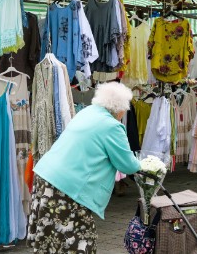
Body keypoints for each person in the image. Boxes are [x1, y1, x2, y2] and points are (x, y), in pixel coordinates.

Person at [27, 82, 141, 253]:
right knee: (77, 242)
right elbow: (128, 165)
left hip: (46, 178)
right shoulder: (112, 126)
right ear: (120, 108)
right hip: (65, 189)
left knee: (51, 243)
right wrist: (145, 164)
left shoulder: (87, 112)